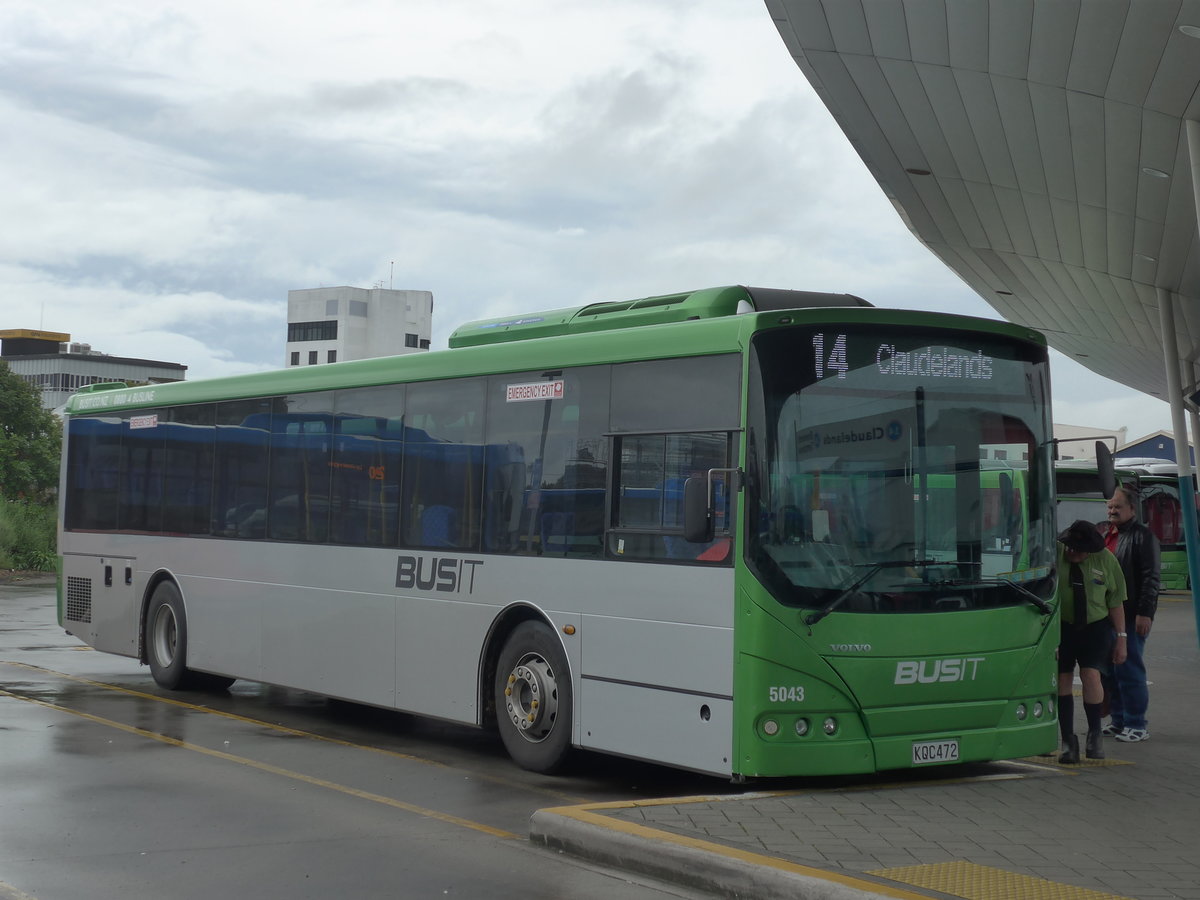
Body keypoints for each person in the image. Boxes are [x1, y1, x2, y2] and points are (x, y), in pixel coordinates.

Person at [1055, 519, 1127, 763]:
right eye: (1070, 547)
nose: (1072, 553)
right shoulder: (1055, 554)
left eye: (1078, 550)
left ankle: (1094, 735)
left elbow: (1115, 601)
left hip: (1095, 626)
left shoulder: (1106, 560)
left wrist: (1122, 638)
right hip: (1062, 626)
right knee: (1062, 678)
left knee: (1090, 675)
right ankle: (1068, 740)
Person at [1100, 484, 1160, 743]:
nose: (1112, 510)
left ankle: (1137, 724)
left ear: (1132, 509)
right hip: (1107, 616)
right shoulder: (1107, 534)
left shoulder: (1143, 537)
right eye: (1110, 506)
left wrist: (1145, 613)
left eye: (1118, 506)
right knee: (1112, 671)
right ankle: (1119, 720)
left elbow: (1151, 578)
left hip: (1131, 615)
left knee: (1129, 670)